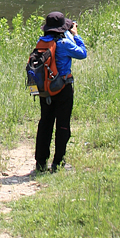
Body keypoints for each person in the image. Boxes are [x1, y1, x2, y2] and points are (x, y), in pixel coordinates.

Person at [34, 11, 87, 174]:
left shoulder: (41, 42)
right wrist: (76, 35)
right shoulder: (65, 43)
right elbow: (82, 53)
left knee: (45, 124)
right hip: (63, 88)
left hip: (45, 91)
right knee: (63, 124)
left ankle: (41, 163)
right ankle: (58, 162)